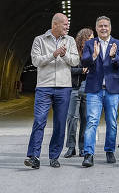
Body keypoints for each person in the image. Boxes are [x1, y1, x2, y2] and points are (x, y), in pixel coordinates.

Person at [24, 13, 79, 169]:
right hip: (44, 87)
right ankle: (34, 156)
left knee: (60, 124)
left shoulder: (70, 40)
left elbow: (75, 61)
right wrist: (53, 54)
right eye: (65, 24)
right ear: (55, 25)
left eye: (68, 24)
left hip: (64, 87)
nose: (68, 27)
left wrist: (64, 54)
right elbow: (36, 61)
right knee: (39, 121)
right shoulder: (39, 40)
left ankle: (54, 157)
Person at [80, 16, 119, 167]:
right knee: (92, 121)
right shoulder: (89, 43)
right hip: (94, 89)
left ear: (110, 27)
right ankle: (88, 154)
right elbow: (84, 61)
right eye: (100, 26)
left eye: (106, 26)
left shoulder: (118, 44)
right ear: (96, 28)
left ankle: (109, 150)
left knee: (112, 122)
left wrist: (113, 56)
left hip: (112, 90)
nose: (103, 28)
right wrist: (93, 55)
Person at [64, 28, 93, 158]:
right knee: (72, 118)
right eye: (90, 38)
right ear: (83, 38)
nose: (92, 40)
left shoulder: (94, 52)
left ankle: (82, 147)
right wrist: (81, 70)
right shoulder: (73, 51)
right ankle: (71, 147)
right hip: (74, 88)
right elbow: (67, 69)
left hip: (88, 88)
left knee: (85, 119)